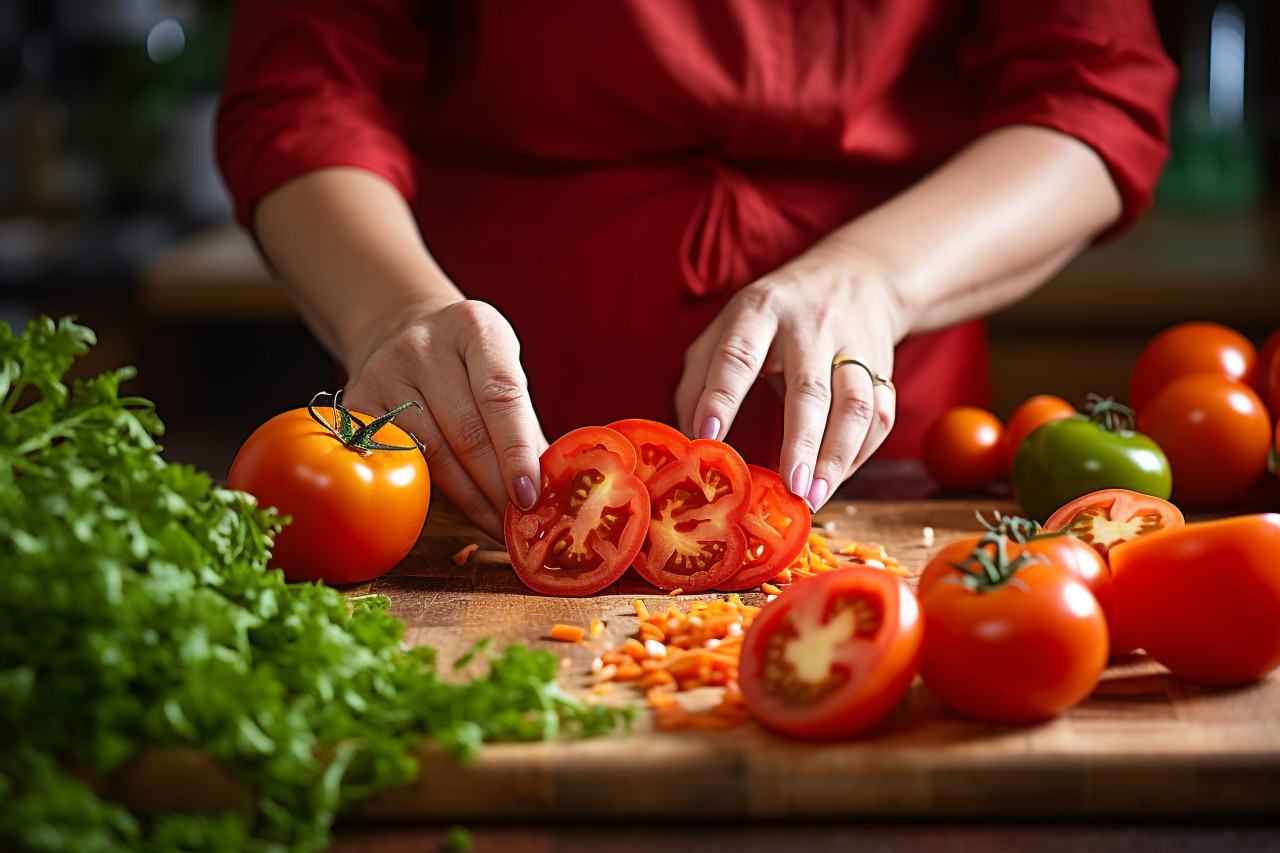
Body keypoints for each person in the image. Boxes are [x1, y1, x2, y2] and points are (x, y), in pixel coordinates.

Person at [217, 1, 1176, 541]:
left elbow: (1093, 90)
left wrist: (877, 275)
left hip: (881, 466)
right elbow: (305, 85)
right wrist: (390, 306)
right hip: (464, 451)